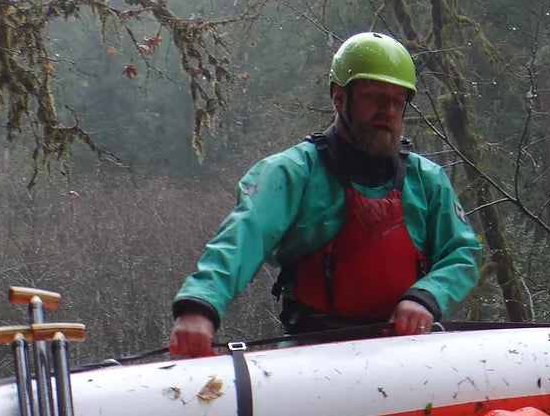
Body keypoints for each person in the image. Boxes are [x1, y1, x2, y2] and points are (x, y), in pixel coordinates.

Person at [170, 31, 481, 357]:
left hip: (405, 355)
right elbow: (245, 234)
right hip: (311, 356)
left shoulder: (427, 180)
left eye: (396, 102)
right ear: (338, 97)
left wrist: (426, 297)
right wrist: (200, 305)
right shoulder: (292, 172)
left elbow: (462, 254)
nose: (387, 111)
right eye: (373, 97)